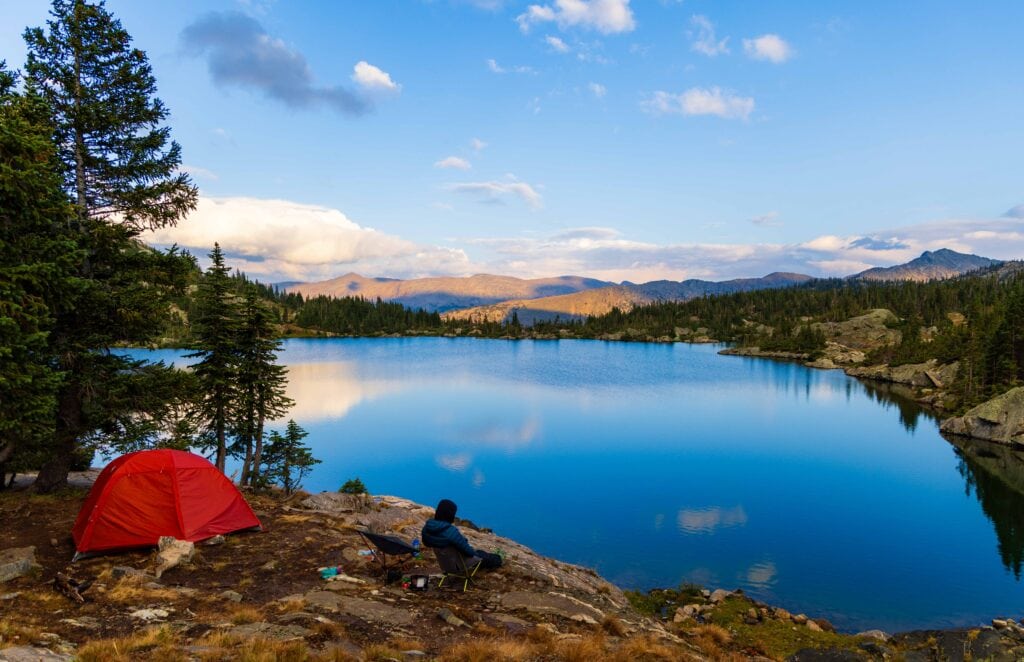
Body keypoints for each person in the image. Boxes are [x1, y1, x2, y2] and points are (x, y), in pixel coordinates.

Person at [421, 498, 503, 569]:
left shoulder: (427, 528)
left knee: (481, 552)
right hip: (459, 565)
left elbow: (426, 543)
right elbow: (470, 552)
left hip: (445, 565)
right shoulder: (450, 532)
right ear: (449, 514)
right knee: (492, 558)